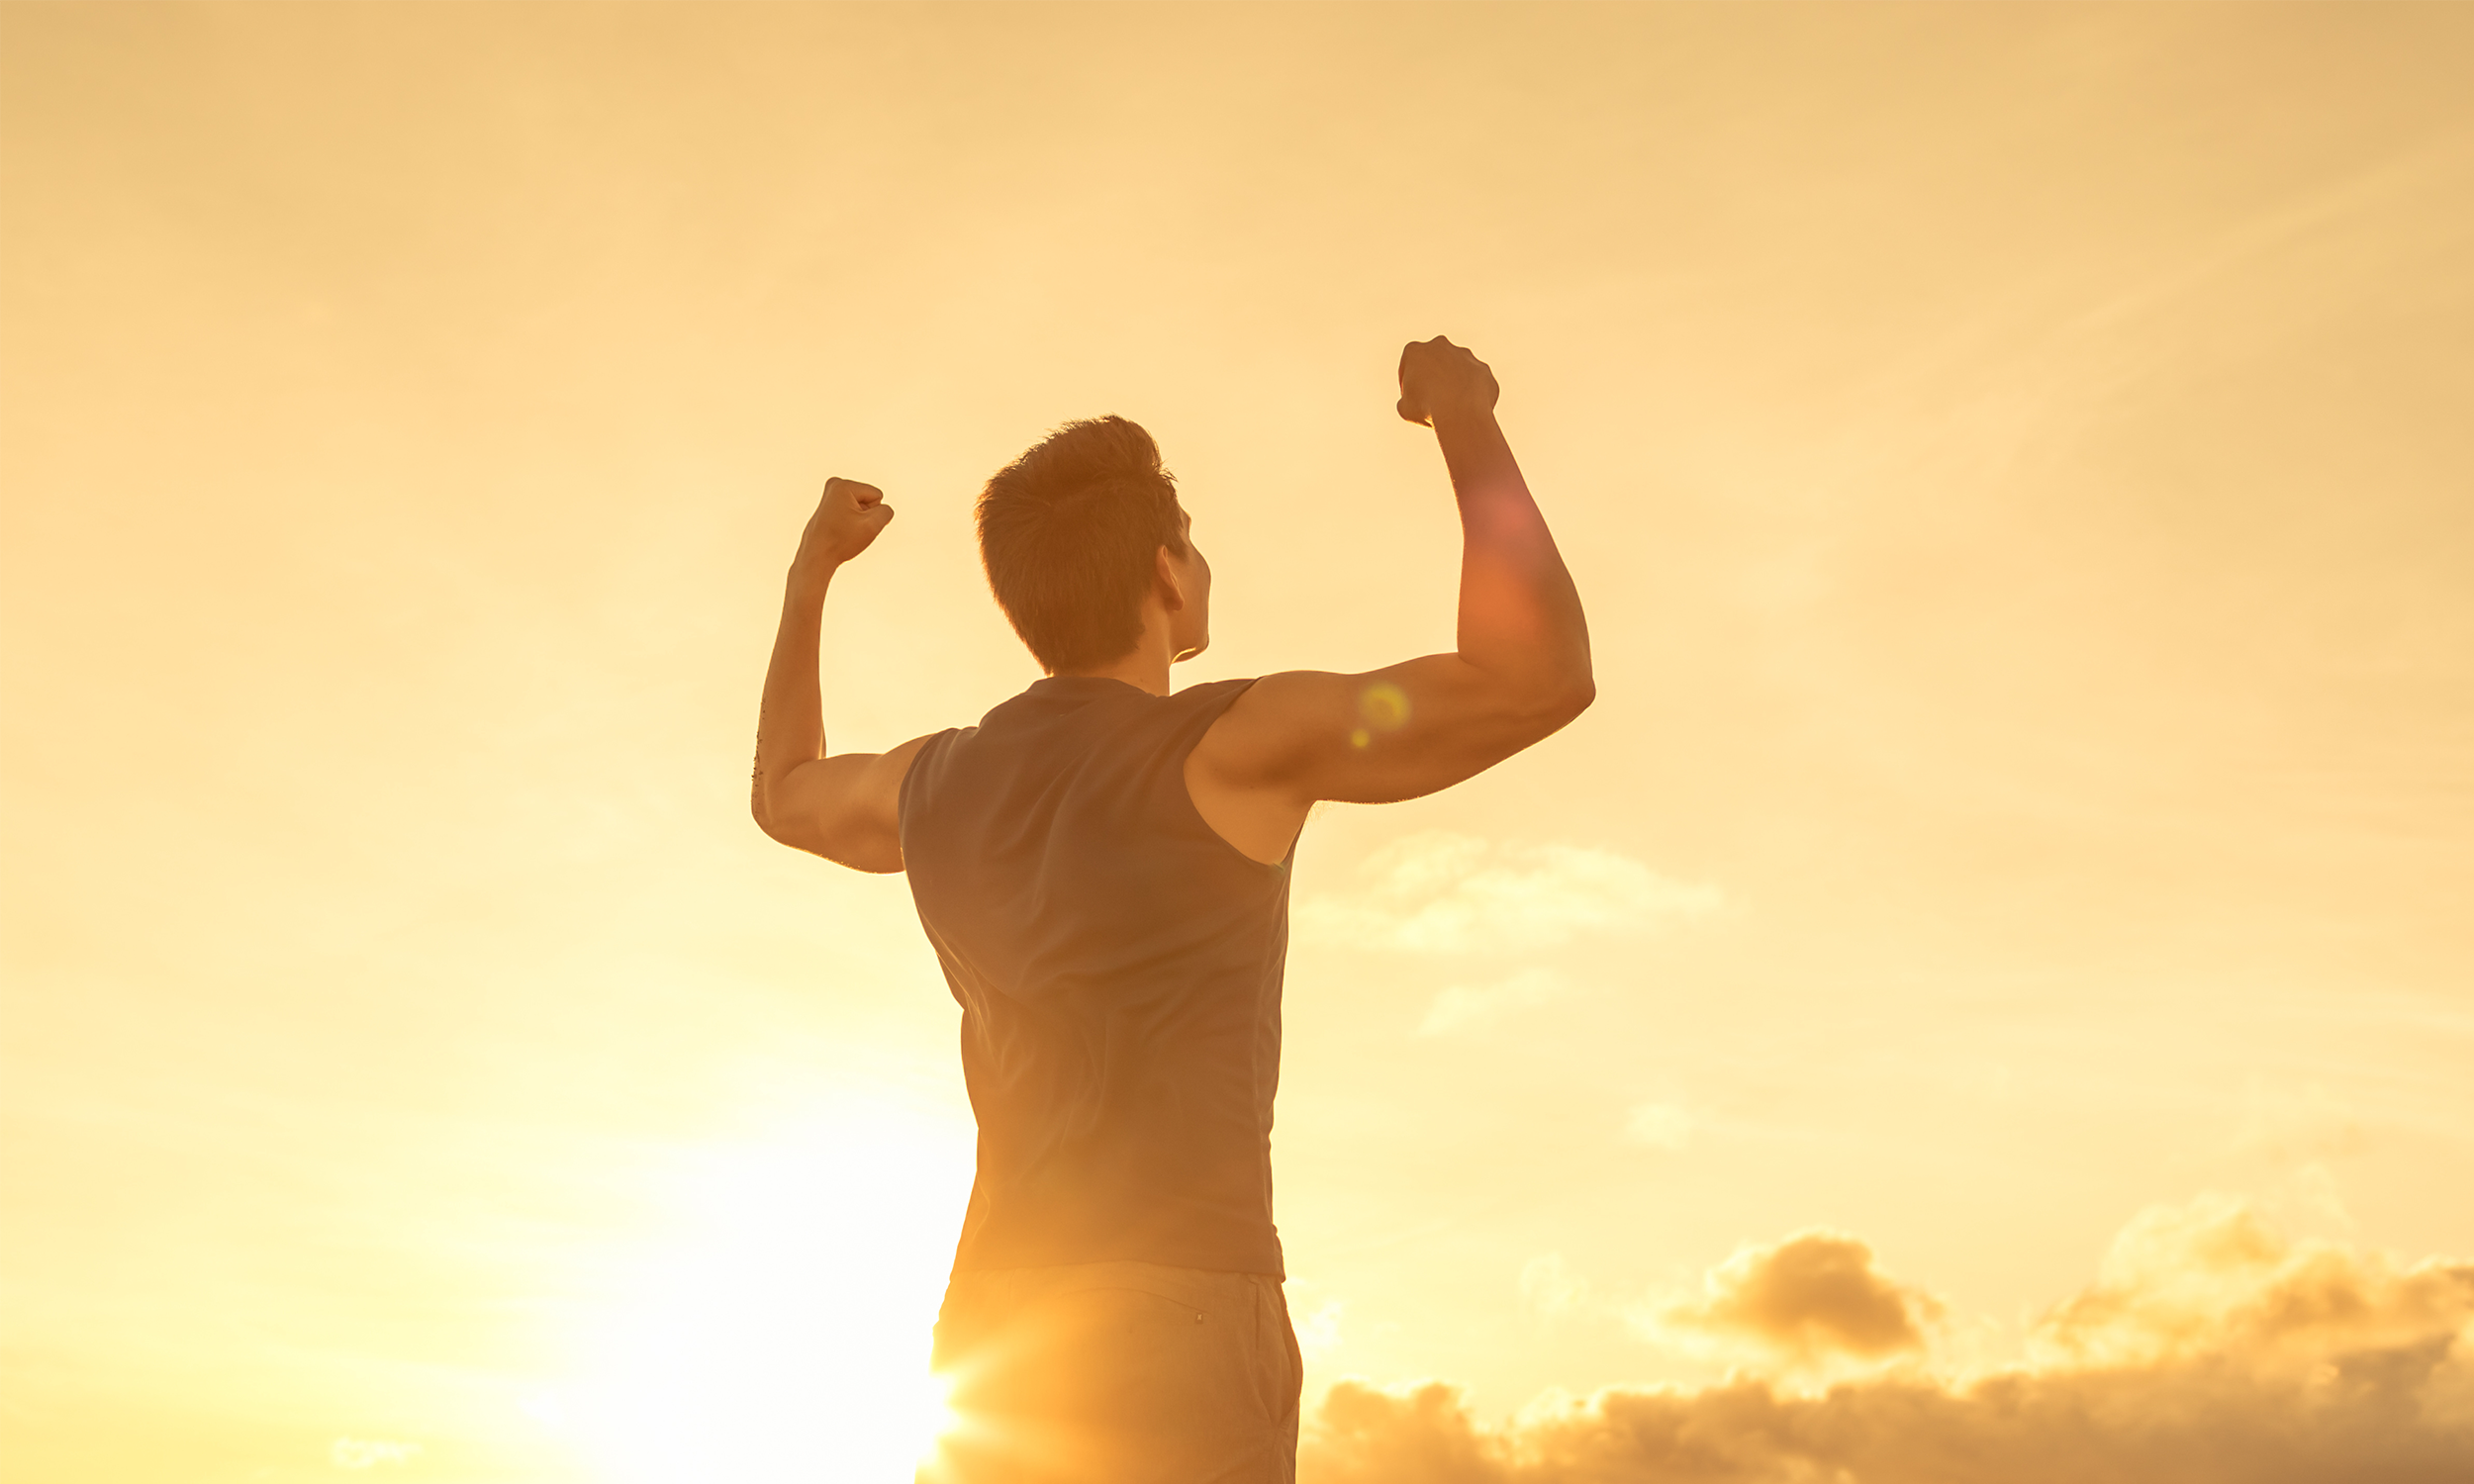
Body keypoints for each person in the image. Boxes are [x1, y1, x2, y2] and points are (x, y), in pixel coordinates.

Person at [749, 337, 1592, 1482]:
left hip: (997, 1326)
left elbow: (785, 793)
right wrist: (1465, 418)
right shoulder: (1234, 742)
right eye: (1190, 544)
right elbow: (1534, 676)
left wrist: (811, 575)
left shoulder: (932, 783)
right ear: (1163, 572)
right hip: (1181, 1310)